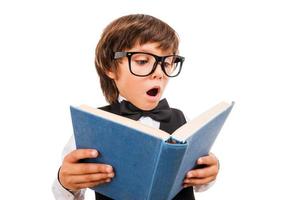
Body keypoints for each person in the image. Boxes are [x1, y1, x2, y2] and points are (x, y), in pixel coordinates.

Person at [52, 14, 220, 200]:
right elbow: (69, 191)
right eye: (142, 61)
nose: (158, 73)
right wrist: (65, 182)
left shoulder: (182, 120)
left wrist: (208, 172)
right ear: (110, 66)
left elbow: (197, 181)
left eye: (166, 63)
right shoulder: (90, 126)